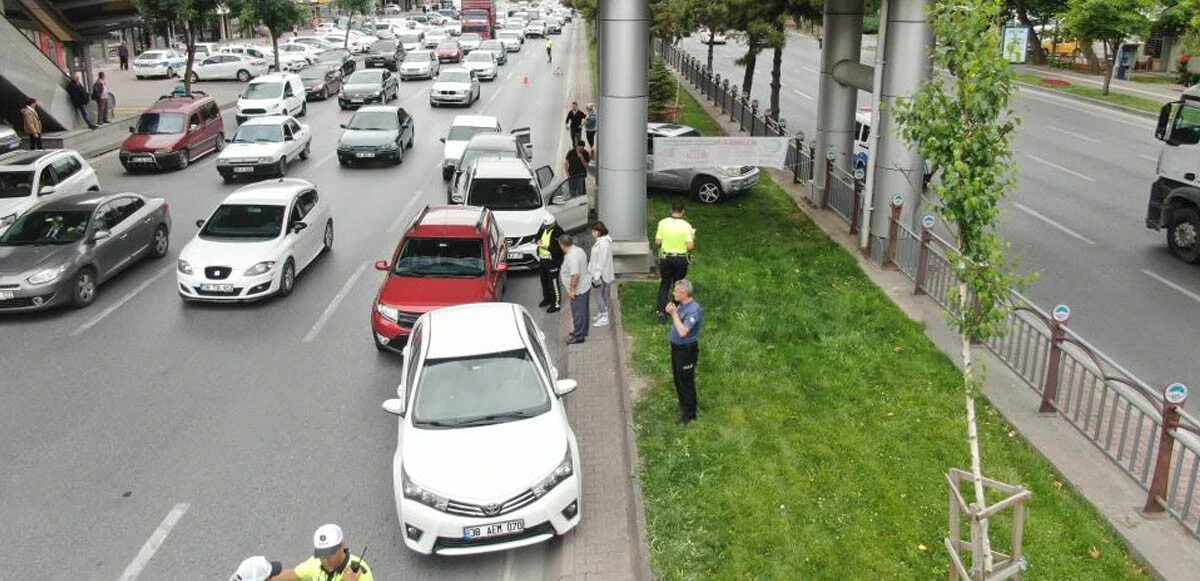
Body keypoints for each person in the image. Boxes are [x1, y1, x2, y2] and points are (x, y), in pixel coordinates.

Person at [268, 524, 373, 581]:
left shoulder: (361, 576)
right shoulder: (316, 563)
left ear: (341, 546)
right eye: (321, 555)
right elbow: (293, 574)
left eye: (329, 554)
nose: (325, 560)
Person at [666, 279, 703, 424]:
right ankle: (684, 406)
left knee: (686, 382)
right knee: (678, 379)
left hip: (686, 351)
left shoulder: (693, 310)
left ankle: (690, 415)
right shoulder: (682, 305)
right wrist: (671, 310)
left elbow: (683, 332)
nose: (673, 293)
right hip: (677, 349)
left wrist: (674, 314)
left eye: (676, 291)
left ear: (684, 293)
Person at [654, 201, 694, 321]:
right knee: (678, 284)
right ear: (683, 211)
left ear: (671, 210)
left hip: (666, 258)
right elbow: (690, 246)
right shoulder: (687, 226)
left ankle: (661, 311)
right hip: (680, 259)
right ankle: (675, 309)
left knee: (665, 283)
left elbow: (657, 242)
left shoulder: (662, 223)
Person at [559, 234, 590, 344]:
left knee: (578, 313)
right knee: (583, 311)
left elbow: (575, 275)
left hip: (579, 289)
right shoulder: (579, 250)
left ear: (562, 245)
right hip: (585, 285)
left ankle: (578, 336)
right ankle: (583, 330)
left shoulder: (572, 257)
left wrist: (572, 290)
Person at [588, 221, 615, 327]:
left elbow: (601, 261)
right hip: (601, 273)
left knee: (598, 294)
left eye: (594, 231)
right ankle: (602, 312)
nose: (592, 233)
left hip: (601, 274)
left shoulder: (603, 244)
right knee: (601, 293)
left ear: (599, 232)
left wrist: (596, 275)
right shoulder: (603, 241)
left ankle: (604, 315)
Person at [536, 213, 565, 313]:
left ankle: (556, 304)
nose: (546, 227)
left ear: (553, 223)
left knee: (553, 283)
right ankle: (547, 299)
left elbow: (559, 249)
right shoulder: (544, 228)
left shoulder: (559, 232)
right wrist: (537, 241)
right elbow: (538, 236)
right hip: (543, 260)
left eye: (548, 225)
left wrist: (546, 247)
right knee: (544, 281)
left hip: (553, 261)